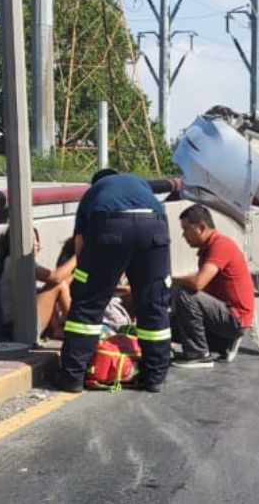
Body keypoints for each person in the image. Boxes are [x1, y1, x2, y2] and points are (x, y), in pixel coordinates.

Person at [55, 168, 172, 393]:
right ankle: (155, 377)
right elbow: (160, 230)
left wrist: (88, 277)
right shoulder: (140, 185)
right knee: (153, 304)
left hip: (110, 228)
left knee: (88, 307)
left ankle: (73, 376)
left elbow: (80, 243)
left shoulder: (94, 194)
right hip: (154, 228)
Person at [170, 203, 255, 367]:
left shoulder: (220, 245)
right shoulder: (207, 249)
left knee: (184, 293)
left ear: (201, 227)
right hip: (224, 317)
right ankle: (223, 345)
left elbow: (197, 283)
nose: (183, 235)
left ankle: (199, 355)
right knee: (168, 325)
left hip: (235, 319)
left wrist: (170, 279)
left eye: (186, 228)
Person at [0, 227, 76, 341]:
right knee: (59, 285)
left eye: (37, 239)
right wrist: (77, 257)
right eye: (31, 240)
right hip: (17, 328)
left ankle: (57, 329)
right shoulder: (17, 261)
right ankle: (77, 329)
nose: (36, 243)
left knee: (52, 288)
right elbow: (56, 278)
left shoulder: (17, 262)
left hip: (23, 322)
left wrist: (76, 275)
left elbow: (52, 287)